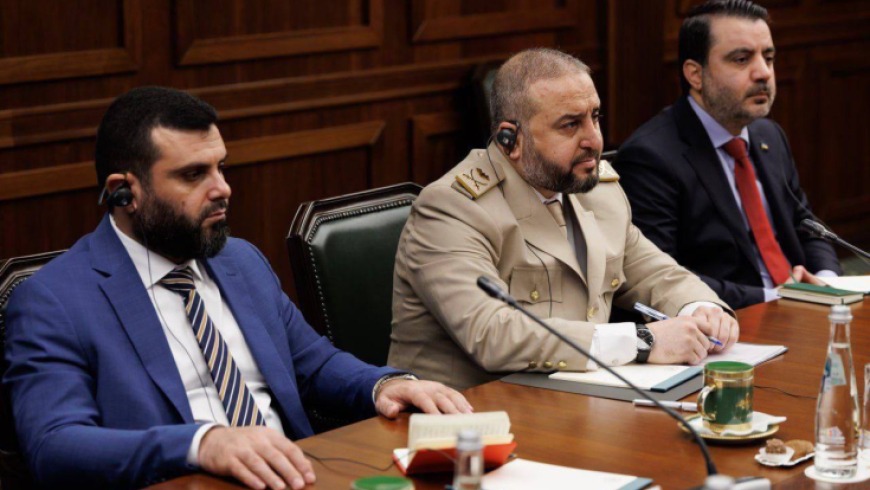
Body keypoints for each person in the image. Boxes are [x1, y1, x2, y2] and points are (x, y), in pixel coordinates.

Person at [2, 87, 471, 490]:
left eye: (221, 167)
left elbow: (314, 365)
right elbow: (55, 445)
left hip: (299, 475)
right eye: (193, 174)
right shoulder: (53, 301)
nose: (222, 188)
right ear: (125, 192)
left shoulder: (239, 260)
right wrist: (202, 442)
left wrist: (384, 384)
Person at [388, 48, 740, 391]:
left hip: (572, 402)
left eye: (595, 117)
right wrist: (641, 341)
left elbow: (655, 273)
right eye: (570, 124)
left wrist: (702, 309)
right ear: (511, 140)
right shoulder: (452, 208)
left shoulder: (596, 191)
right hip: (471, 413)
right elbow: (491, 333)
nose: (594, 139)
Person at [614, 0, 841, 309]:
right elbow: (659, 276)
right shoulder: (651, 157)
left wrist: (827, 280)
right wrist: (777, 297)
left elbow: (807, 226)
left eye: (768, 58)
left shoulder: (768, 135)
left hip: (804, 306)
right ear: (695, 74)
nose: (763, 73)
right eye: (741, 59)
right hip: (732, 319)